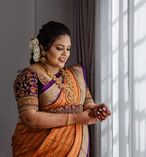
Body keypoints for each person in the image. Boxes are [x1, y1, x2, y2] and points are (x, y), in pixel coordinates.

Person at [12, 21, 111, 157]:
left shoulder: (76, 74)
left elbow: (87, 102)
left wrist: (95, 110)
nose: (65, 53)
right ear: (43, 48)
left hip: (76, 148)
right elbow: (30, 118)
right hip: (39, 149)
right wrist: (76, 118)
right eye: (59, 48)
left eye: (68, 48)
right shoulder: (30, 75)